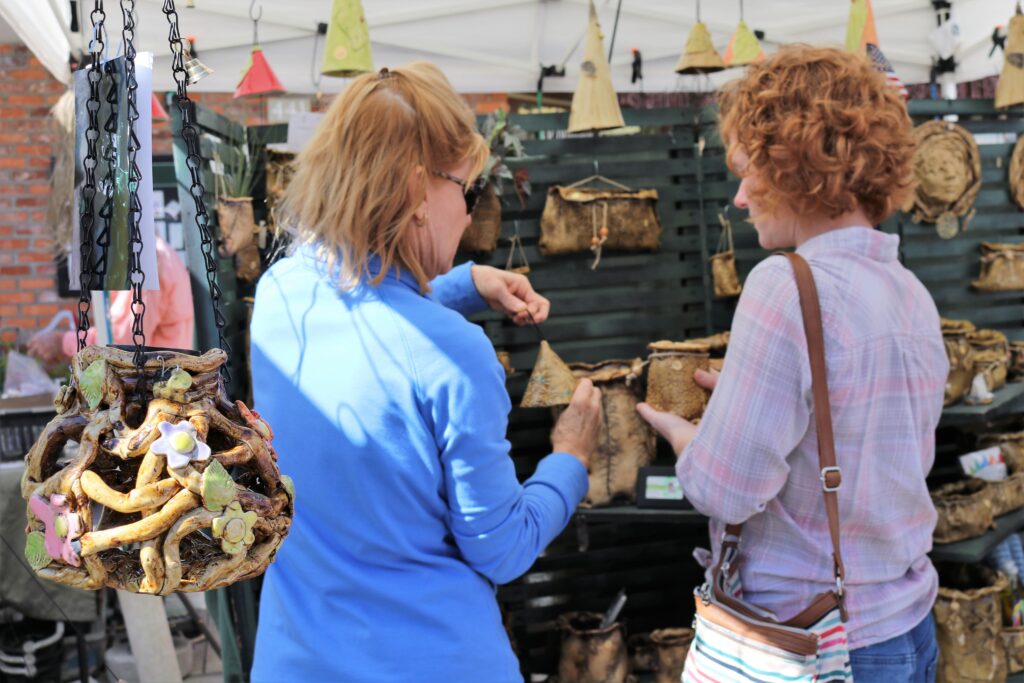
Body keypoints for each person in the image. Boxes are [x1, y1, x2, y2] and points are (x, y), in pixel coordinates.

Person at [248, 62, 602, 683]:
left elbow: (369, 329)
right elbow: (503, 548)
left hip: (297, 660)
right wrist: (570, 462)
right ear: (417, 192)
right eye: (467, 191)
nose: (469, 216)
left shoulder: (280, 296)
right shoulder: (454, 354)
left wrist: (465, 284)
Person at [638, 45, 946, 681]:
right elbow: (873, 456)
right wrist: (755, 401)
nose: (742, 199)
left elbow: (727, 489)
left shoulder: (786, 285)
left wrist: (692, 436)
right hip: (907, 627)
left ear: (801, 166)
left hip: (818, 642)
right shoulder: (909, 292)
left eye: (751, 172)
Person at [27, 235, 194, 361]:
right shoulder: (152, 252)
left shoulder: (143, 260)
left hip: (156, 388)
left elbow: (123, 343)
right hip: (165, 379)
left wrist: (64, 341)